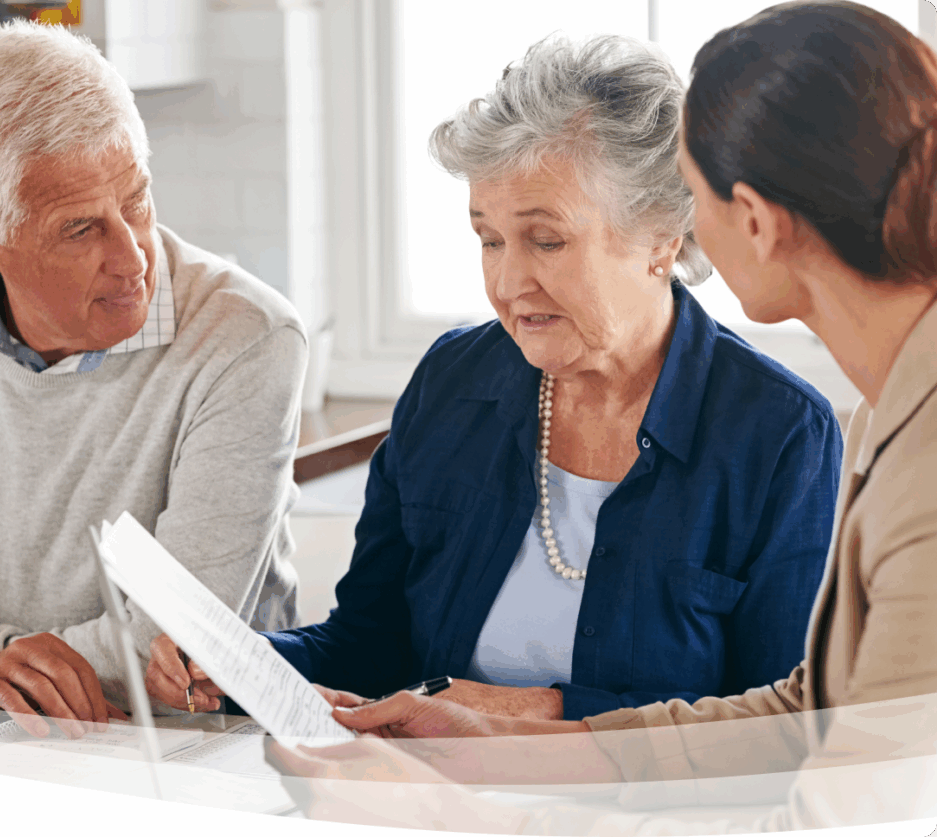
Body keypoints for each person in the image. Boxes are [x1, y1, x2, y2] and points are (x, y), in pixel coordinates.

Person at [265, 2, 937, 832]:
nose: (510, 281)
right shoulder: (891, 411)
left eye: (692, 191)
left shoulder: (868, 450)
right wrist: (495, 748)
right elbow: (801, 711)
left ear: (747, 221)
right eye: (488, 240)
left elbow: (843, 815)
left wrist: (466, 809)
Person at [148, 33, 842, 722]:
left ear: (662, 235)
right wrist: (241, 660)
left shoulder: (779, 435)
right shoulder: (452, 381)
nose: (509, 283)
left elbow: (778, 725)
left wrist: (534, 715)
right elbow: (368, 642)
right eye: (488, 239)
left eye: (547, 241)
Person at [0, 21, 306, 737]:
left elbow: (173, 639)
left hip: (180, 756)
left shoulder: (245, 339)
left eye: (136, 202)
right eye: (80, 229)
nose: (133, 259)